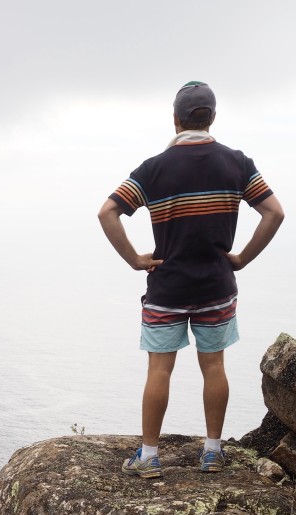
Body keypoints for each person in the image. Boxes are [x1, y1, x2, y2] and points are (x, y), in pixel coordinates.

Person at [99, 81, 284, 479]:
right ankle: (213, 452)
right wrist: (242, 259)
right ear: (212, 117)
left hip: (167, 287)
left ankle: (149, 456)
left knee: (159, 371)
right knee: (214, 365)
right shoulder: (236, 162)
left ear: (176, 119)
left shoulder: (154, 168)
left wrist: (134, 259)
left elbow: (107, 213)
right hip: (216, 285)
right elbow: (274, 213)